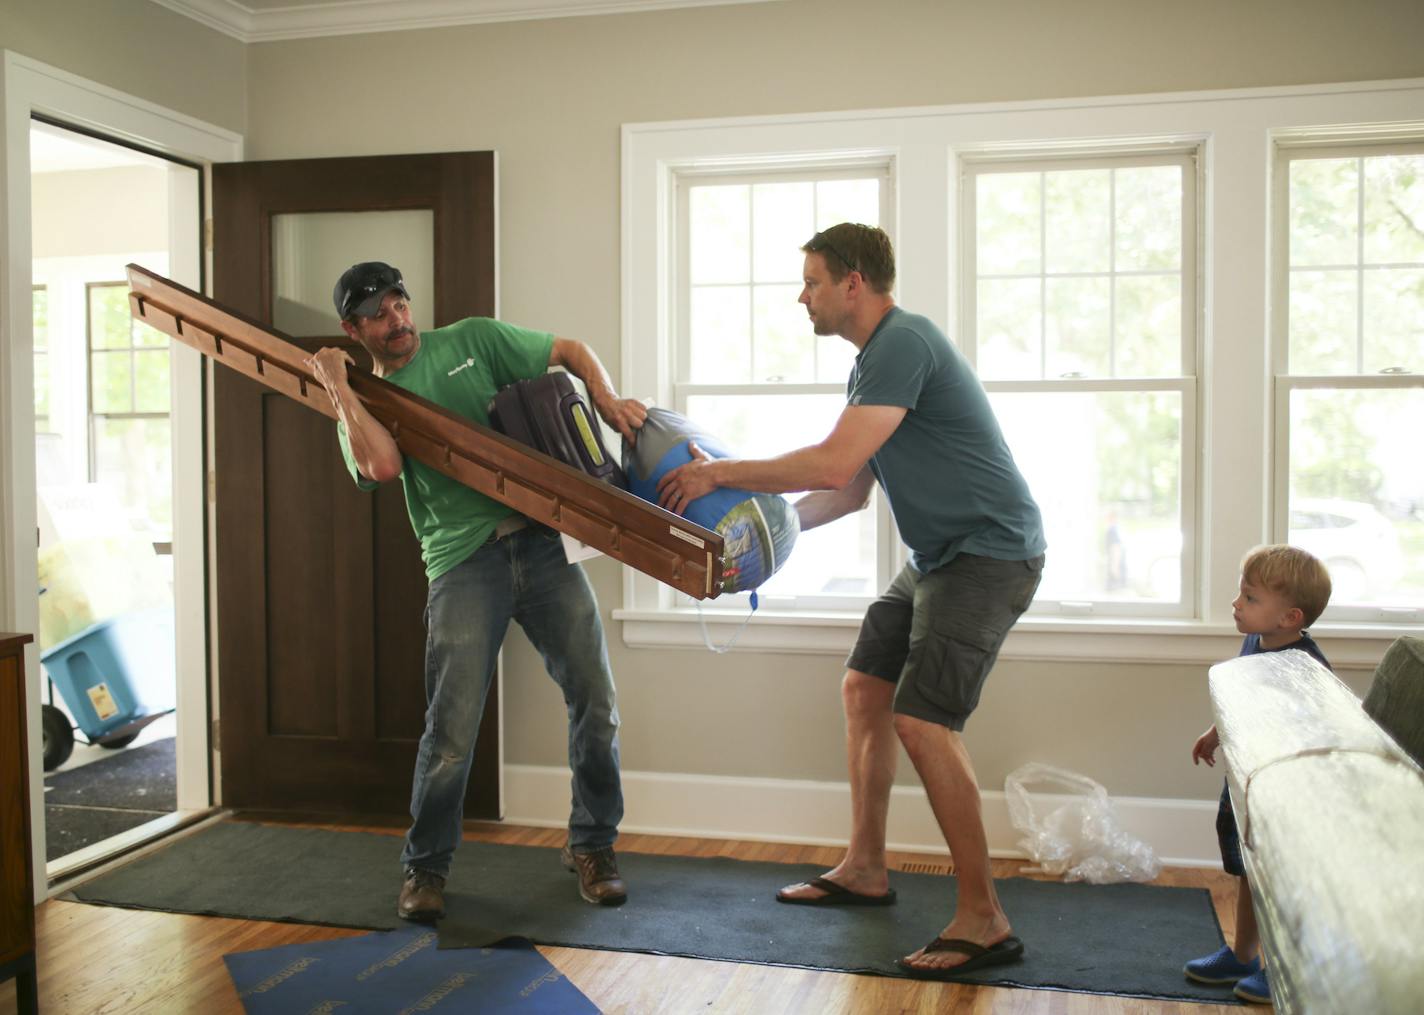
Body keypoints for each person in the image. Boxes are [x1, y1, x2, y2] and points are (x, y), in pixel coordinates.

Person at [656, 224, 1046, 978]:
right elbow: (854, 488)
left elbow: (835, 462)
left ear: (853, 284)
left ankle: (985, 917)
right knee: (865, 687)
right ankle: (867, 867)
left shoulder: (905, 342)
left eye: (811, 281)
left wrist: (717, 476)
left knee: (924, 720)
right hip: (939, 557)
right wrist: (763, 537)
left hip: (990, 553)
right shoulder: (874, 365)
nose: (801, 295)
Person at [308, 262, 647, 922]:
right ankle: (425, 867)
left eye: (400, 304)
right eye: (376, 314)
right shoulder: (365, 404)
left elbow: (571, 352)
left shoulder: (473, 339)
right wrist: (337, 387)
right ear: (353, 329)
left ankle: (594, 846)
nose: (397, 319)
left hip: (543, 546)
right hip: (463, 564)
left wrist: (605, 399)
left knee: (596, 700)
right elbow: (380, 465)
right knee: (453, 727)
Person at [1185, 544, 1332, 1005]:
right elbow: (1243, 698)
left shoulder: (1303, 667)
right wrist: (1216, 733)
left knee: (1277, 881)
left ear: (1290, 617)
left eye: (1250, 598)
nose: (1236, 604)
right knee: (1248, 872)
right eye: (1241, 594)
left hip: (1283, 791)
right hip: (1246, 781)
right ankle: (1244, 954)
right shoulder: (1256, 643)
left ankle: (1285, 969)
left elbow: (1317, 730)